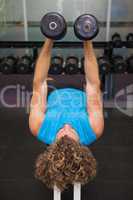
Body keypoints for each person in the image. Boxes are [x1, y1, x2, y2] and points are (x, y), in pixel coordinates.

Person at [29, 39, 104, 191]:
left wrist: (49, 39)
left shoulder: (39, 128)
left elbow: (39, 83)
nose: (67, 127)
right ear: (81, 146)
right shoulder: (94, 129)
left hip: (54, 86)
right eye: (72, 133)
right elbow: (93, 84)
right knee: (95, 88)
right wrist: (87, 41)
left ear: (52, 145)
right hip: (81, 88)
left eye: (62, 133)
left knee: (39, 86)